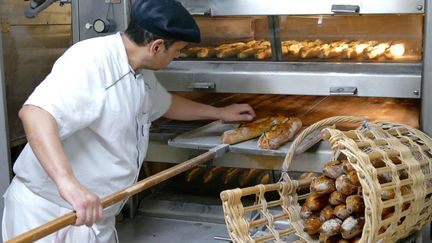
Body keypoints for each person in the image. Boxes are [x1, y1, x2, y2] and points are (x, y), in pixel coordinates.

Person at [1, 0, 255, 242]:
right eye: (177, 51)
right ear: (156, 46)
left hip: (93, 217)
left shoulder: (138, 71)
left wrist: (220, 113)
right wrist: (68, 183)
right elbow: (35, 113)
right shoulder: (91, 61)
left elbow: (166, 104)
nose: (177, 57)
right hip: (52, 214)